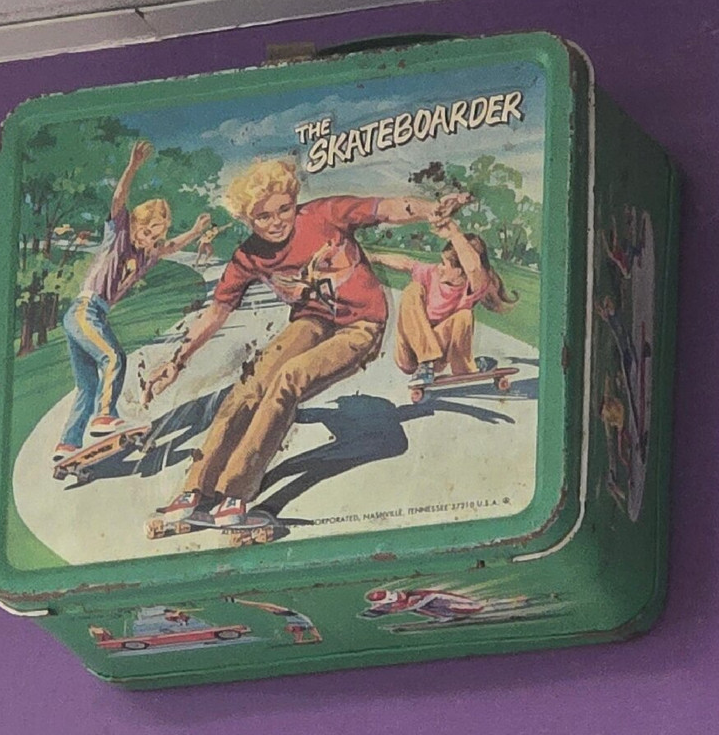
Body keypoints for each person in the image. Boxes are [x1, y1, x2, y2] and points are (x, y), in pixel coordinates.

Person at [143, 158, 467, 527]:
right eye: (263, 216)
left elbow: (387, 208)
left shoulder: (323, 215)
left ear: (294, 201)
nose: (277, 222)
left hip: (362, 324)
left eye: (284, 209)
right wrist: (177, 360)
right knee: (251, 383)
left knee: (290, 378)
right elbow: (217, 311)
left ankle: (235, 492)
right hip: (312, 321)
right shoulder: (248, 255)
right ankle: (195, 490)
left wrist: (429, 210)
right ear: (247, 219)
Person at [52, 140, 210, 466]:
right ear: (136, 223)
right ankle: (104, 417)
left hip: (92, 316)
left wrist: (195, 231)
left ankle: (68, 443)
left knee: (87, 385)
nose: (149, 240)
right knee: (113, 357)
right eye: (147, 232)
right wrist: (132, 166)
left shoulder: (148, 254)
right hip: (84, 309)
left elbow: (171, 247)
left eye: (155, 236)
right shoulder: (120, 234)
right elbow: (119, 198)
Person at [368, 219, 517, 385]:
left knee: (464, 315)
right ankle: (425, 362)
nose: (439, 267)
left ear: (460, 271)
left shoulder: (471, 287)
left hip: (439, 357)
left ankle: (464, 367)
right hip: (409, 354)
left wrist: (455, 234)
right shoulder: (431, 274)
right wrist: (374, 257)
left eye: (445, 264)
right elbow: (406, 263)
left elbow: (473, 267)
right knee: (413, 290)